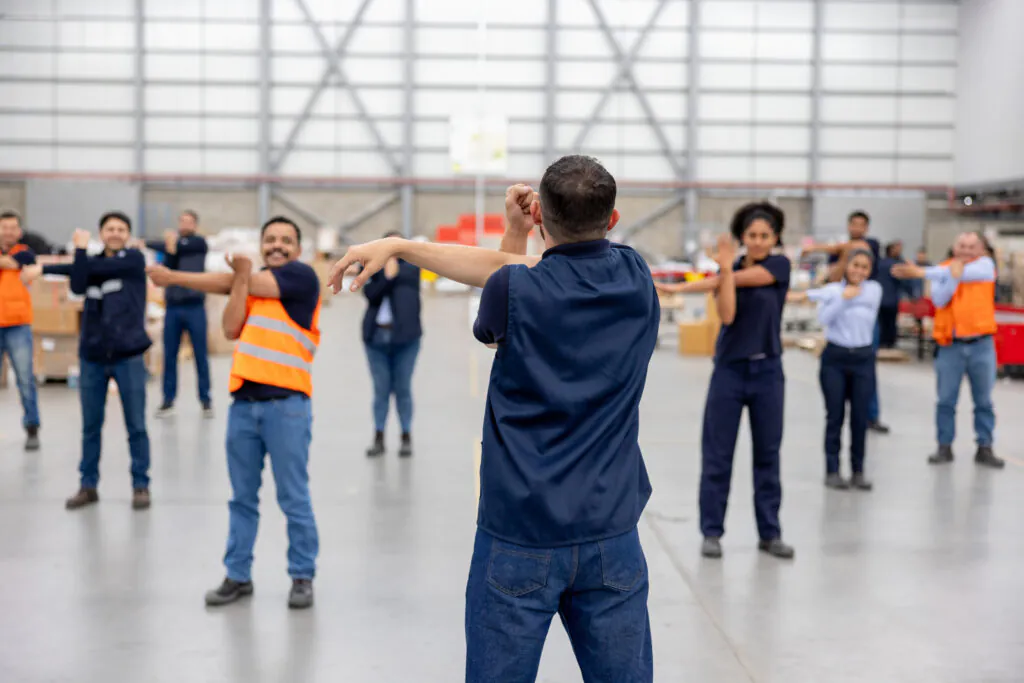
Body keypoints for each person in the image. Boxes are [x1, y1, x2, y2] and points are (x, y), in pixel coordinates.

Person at [328, 156, 658, 683]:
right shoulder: (636, 277)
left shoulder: (516, 291)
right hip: (610, 533)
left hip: (520, 533)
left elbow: (504, 280)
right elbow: (514, 273)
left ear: (542, 220)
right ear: (613, 220)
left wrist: (404, 245)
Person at [146, 216, 321, 609]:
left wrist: (178, 277)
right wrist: (231, 276)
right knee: (242, 499)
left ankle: (302, 575)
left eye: (286, 240)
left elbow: (235, 282)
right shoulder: (252, 285)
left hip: (286, 409)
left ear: (297, 248)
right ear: (261, 246)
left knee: (293, 497)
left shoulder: (302, 278)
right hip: (243, 408)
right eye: (270, 240)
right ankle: (238, 575)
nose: (277, 245)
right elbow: (229, 327)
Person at [656, 202, 795, 561]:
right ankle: (712, 533)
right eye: (753, 235)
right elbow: (728, 314)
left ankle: (770, 533)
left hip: (767, 373)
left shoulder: (779, 266)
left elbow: (739, 280)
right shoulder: (729, 270)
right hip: (730, 373)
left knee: (768, 455)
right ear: (742, 238)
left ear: (775, 237)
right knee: (717, 455)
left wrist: (710, 278)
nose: (759, 241)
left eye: (765, 235)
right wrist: (724, 268)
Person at [23, 214, 152, 510]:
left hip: (128, 355)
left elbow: (84, 270)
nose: (116, 233)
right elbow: (78, 284)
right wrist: (58, 264)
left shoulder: (133, 260)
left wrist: (55, 263)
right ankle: (88, 485)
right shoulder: (88, 263)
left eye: (121, 229)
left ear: (128, 234)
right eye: (110, 229)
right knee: (91, 426)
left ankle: (141, 485)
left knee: (137, 426)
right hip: (93, 356)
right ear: (101, 233)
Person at [891, 232, 1004, 469]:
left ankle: (985, 446)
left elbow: (969, 273)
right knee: (945, 400)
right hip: (950, 345)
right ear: (954, 247)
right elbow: (940, 300)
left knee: (983, 400)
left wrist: (922, 272)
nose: (966, 251)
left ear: (981, 250)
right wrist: (951, 277)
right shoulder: (943, 271)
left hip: (981, 345)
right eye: (962, 245)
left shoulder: (985, 266)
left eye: (972, 246)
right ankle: (944, 446)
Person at [790, 249, 881, 490]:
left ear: (869, 271)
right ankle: (832, 470)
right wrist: (843, 298)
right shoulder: (834, 291)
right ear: (846, 267)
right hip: (835, 359)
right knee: (835, 416)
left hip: (862, 359)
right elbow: (824, 318)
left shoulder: (874, 290)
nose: (859, 271)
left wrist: (838, 296)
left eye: (864, 267)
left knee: (860, 418)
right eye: (855, 265)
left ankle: (858, 470)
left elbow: (866, 300)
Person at [804, 211, 889, 434]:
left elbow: (852, 257)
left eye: (862, 225)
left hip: (864, 323)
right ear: (849, 225)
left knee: (867, 371)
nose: (857, 228)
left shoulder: (870, 244)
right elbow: (833, 280)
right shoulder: (841, 253)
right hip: (841, 323)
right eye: (854, 224)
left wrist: (815, 248)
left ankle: (871, 415)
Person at [145, 210, 212, 419]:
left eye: (189, 221)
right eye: (182, 220)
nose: (185, 224)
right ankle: (168, 400)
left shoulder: (199, 243)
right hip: (173, 307)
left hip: (195, 307)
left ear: (195, 224)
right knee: (170, 355)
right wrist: (168, 247)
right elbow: (169, 261)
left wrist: (169, 244)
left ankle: (205, 400)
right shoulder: (172, 247)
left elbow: (177, 246)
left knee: (200, 354)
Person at [361, 230, 422, 458]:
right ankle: (378, 437)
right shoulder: (370, 268)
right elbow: (369, 293)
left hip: (406, 340)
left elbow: (406, 277)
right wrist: (386, 277)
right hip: (376, 339)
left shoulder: (412, 268)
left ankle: (406, 436)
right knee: (381, 390)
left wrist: (392, 271)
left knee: (403, 388)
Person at [0, 210, 41, 450]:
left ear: (19, 231)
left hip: (18, 324)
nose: (7, 232)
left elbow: (26, 261)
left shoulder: (25, 252)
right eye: (3, 227)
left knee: (25, 380)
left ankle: (32, 427)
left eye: (12, 228)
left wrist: (9, 262)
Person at [875, 242, 903, 349]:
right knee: (891, 323)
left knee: (881, 322)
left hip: (880, 299)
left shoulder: (879, 263)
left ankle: (881, 342)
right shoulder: (896, 265)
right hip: (891, 299)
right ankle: (890, 344)